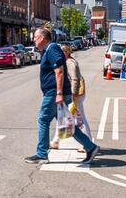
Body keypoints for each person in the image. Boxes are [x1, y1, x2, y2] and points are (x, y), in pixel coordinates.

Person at [25, 28, 99, 164]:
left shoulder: (52, 48)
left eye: (35, 37)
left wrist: (59, 93)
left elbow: (59, 71)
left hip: (54, 92)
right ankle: (91, 147)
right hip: (55, 92)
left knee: (43, 120)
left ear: (42, 38)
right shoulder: (48, 50)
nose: (33, 40)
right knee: (67, 124)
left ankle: (41, 154)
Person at [50, 45, 92, 150]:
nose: (60, 54)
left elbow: (75, 79)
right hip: (74, 94)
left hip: (76, 95)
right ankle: (56, 141)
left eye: (62, 52)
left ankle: (88, 142)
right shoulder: (68, 61)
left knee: (79, 118)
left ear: (67, 52)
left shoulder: (69, 62)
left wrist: (73, 94)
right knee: (64, 117)